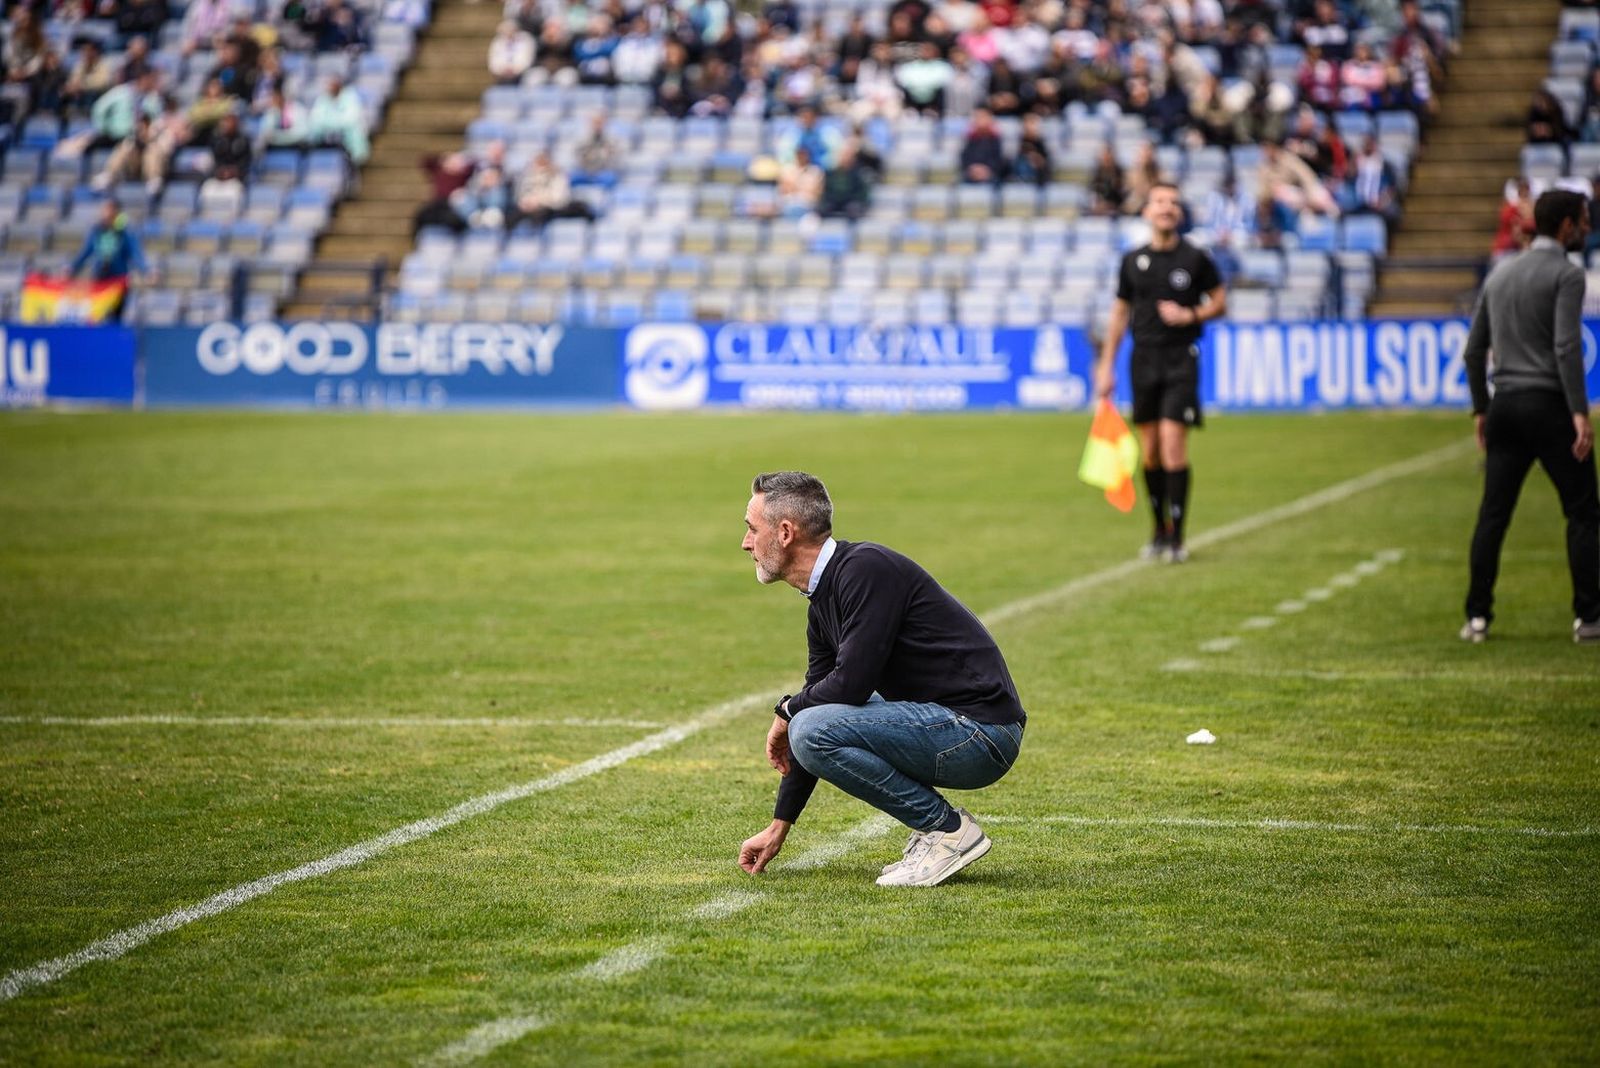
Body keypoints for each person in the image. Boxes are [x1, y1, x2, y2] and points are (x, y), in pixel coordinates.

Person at [735, 472, 1026, 888]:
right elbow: (823, 699)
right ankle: (936, 831)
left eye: (751, 528)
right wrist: (779, 826)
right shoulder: (823, 602)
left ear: (784, 532)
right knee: (811, 721)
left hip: (981, 734)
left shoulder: (865, 569)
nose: (746, 542)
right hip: (955, 725)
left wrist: (786, 711)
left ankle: (946, 831)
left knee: (811, 726)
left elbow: (848, 687)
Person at [1460, 189, 1599, 644]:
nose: (1587, 227)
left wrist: (1482, 407)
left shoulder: (1500, 274)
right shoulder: (1566, 274)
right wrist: (1579, 410)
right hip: (1547, 406)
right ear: (1564, 226)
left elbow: (1473, 350)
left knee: (1493, 514)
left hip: (1505, 406)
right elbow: (1565, 345)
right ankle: (1589, 617)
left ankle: (1477, 617)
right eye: (1583, 219)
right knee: (1582, 512)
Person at [1094, 183, 1228, 563]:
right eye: (1159, 202)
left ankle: (1178, 539)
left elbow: (1220, 300)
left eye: (1172, 202)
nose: (1166, 208)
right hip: (1144, 361)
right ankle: (1158, 530)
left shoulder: (1195, 258)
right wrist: (1106, 366)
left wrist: (1192, 314)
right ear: (1147, 212)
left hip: (1181, 359)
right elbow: (1120, 314)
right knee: (1149, 451)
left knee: (1172, 444)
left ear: (1180, 213)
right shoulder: (1132, 261)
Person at [68, 200, 150, 322]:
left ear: (117, 212)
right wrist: (72, 268)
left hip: (118, 282)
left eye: (110, 210)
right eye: (105, 210)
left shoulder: (125, 233)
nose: (107, 214)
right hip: (99, 280)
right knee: (96, 316)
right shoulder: (97, 231)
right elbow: (85, 252)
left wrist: (146, 270)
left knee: (115, 317)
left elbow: (136, 254)